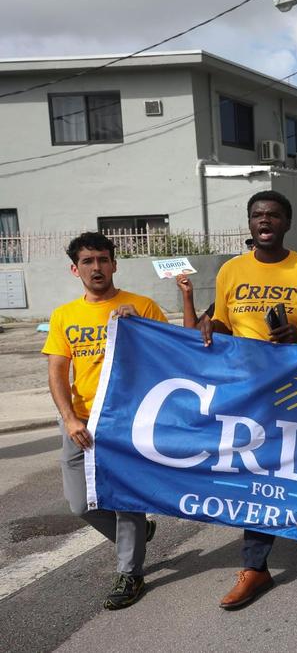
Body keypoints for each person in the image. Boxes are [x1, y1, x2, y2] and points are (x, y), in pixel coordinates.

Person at [201, 190, 297, 610]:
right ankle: (255, 566)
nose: (265, 221)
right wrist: (208, 326)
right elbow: (222, 324)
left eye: (274, 215)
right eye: (257, 215)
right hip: (249, 393)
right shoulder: (229, 271)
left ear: (287, 223)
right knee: (259, 477)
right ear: (250, 223)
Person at [43, 232, 168, 610]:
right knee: (81, 505)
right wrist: (69, 420)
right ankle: (138, 535)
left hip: (125, 420)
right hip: (83, 421)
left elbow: (169, 356)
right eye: (87, 261)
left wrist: (140, 330)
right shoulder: (65, 315)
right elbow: (57, 372)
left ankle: (130, 572)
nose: (95, 267)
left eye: (102, 259)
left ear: (114, 264)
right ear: (74, 269)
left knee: (124, 499)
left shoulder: (141, 305)